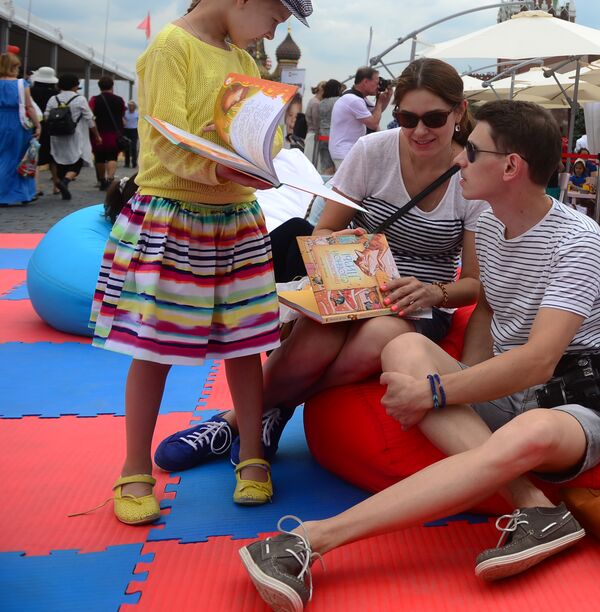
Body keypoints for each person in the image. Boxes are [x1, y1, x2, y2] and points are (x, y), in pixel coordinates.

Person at [238, 100, 600, 606]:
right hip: (508, 387)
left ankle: (310, 540)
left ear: (511, 166)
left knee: (526, 429)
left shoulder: (578, 241)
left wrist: (437, 392)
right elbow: (485, 305)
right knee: (402, 344)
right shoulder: (488, 226)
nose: (459, 160)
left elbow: (537, 362)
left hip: (576, 399)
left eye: (473, 149)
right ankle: (534, 506)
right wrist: (466, 376)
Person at [155, 58, 485, 471]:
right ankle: (265, 413)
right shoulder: (372, 151)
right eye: (406, 117)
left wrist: (433, 291)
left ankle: (239, 419)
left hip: (418, 301)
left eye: (434, 118)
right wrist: (351, 265)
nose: (419, 131)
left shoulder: (471, 175)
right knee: (321, 330)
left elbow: (473, 281)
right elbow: (324, 230)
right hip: (351, 283)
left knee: (381, 332)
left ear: (459, 112)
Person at [90, 0, 313, 526]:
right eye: (271, 20)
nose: (267, 35)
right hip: (175, 218)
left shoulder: (243, 60)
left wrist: (264, 161)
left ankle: (253, 454)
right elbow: (166, 138)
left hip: (237, 219)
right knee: (153, 348)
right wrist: (224, 166)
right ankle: (135, 466)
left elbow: (249, 133)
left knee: (246, 343)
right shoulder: (170, 47)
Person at [44, 72, 95, 201]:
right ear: (75, 85)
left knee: (59, 159)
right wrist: (97, 135)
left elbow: (46, 116)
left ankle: (61, 181)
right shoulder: (80, 99)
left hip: (56, 135)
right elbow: (89, 119)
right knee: (76, 162)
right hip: (74, 135)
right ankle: (65, 181)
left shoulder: (53, 99)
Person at [0, 52, 41, 206]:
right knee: (19, 158)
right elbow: (29, 107)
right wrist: (37, 124)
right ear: (13, 67)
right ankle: (21, 193)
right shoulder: (21, 84)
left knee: (3, 157)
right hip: (16, 123)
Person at [329, 67, 391, 166]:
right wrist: (379, 102)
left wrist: (387, 97)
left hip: (347, 151)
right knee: (351, 181)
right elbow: (373, 124)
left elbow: (375, 113)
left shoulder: (354, 94)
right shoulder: (354, 100)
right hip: (345, 152)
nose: (378, 86)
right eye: (376, 82)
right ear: (366, 82)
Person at [90, 76, 128, 190]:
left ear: (99, 86)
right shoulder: (119, 99)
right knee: (112, 156)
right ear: (112, 86)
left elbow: (90, 115)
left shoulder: (94, 99)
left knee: (99, 157)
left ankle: (102, 180)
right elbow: (122, 114)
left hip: (99, 132)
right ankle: (110, 179)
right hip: (114, 133)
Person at [29, 66, 60, 196]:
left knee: (34, 156)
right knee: (53, 157)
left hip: (34, 126)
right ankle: (56, 185)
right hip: (51, 129)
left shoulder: (30, 91)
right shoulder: (56, 95)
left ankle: (36, 187)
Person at [314, 79, 344, 173]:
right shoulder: (339, 101)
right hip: (335, 136)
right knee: (338, 165)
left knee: (327, 164)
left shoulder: (322, 102)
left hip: (323, 136)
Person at [122, 98, 140, 169]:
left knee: (133, 147)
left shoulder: (137, 113)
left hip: (134, 130)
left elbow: (139, 122)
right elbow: (122, 119)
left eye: (132, 106)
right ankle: (127, 163)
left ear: (134, 107)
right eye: (129, 106)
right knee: (127, 147)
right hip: (127, 130)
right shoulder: (125, 113)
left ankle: (134, 163)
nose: (130, 107)